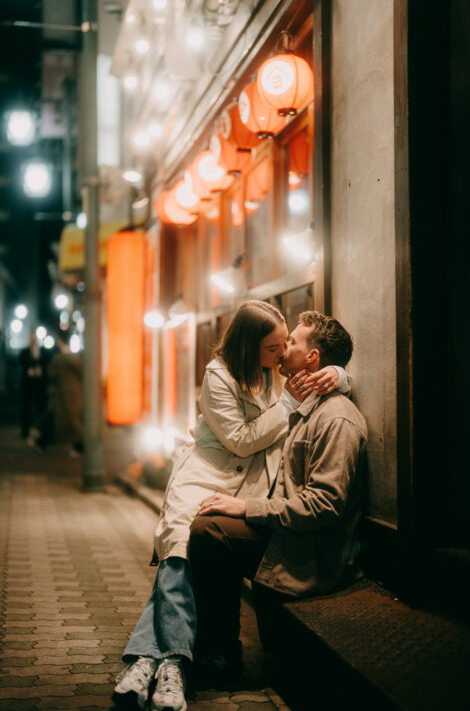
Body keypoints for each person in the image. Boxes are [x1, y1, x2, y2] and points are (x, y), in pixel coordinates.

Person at [113, 300, 349, 711]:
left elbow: (327, 383)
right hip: (207, 472)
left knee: (198, 542)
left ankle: (153, 660)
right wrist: (286, 406)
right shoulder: (219, 374)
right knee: (179, 548)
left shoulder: (283, 375)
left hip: (250, 485)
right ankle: (169, 661)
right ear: (251, 345)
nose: (281, 352)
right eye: (275, 346)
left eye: (286, 344)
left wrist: (341, 374)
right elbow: (240, 440)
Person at [188, 311, 367, 673]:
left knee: (210, 533)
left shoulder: (336, 418)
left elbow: (323, 505)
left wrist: (247, 507)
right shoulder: (301, 400)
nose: (283, 350)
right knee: (206, 523)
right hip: (285, 527)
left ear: (313, 358)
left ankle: (219, 654)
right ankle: (215, 649)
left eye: (293, 343)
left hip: (311, 548)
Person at [19, 331, 48, 439]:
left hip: (39, 383)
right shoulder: (25, 352)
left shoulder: (42, 352)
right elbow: (22, 362)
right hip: (28, 383)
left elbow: (46, 363)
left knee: (41, 407)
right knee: (26, 407)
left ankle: (40, 429)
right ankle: (25, 431)